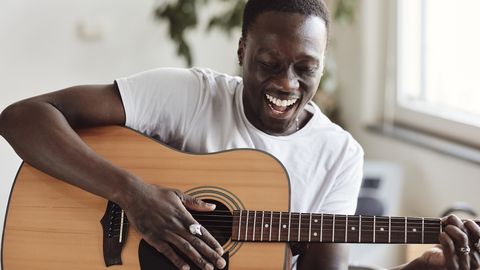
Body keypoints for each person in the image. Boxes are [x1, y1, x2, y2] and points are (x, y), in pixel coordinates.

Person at [0, 0, 479, 269]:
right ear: (242, 48)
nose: (287, 85)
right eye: (269, 63)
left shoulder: (339, 154)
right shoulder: (188, 95)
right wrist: (133, 194)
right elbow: (22, 117)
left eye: (306, 68)